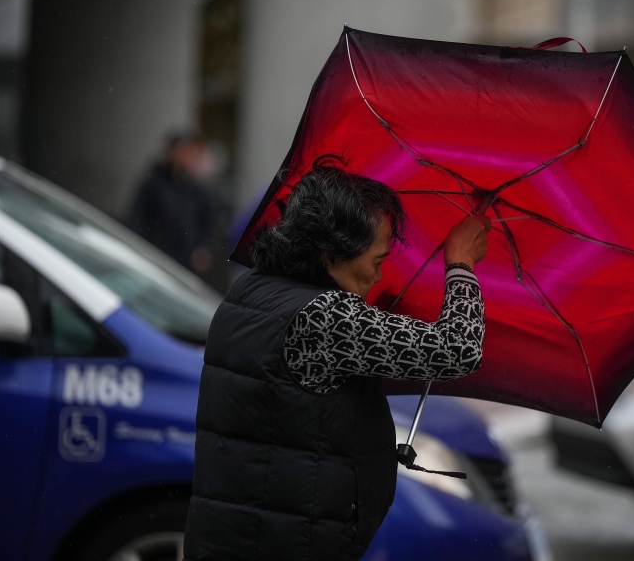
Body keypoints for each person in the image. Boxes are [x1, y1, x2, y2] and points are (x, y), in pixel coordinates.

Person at [182, 160, 491, 561]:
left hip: (233, 539)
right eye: (377, 261)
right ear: (331, 254)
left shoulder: (250, 293)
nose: (379, 277)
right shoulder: (324, 317)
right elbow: (457, 349)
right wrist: (461, 263)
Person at [127, 131, 219, 276]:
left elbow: (207, 223)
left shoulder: (195, 188)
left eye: (187, 151)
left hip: (185, 267)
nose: (184, 156)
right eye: (180, 150)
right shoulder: (153, 183)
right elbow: (137, 220)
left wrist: (204, 249)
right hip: (156, 261)